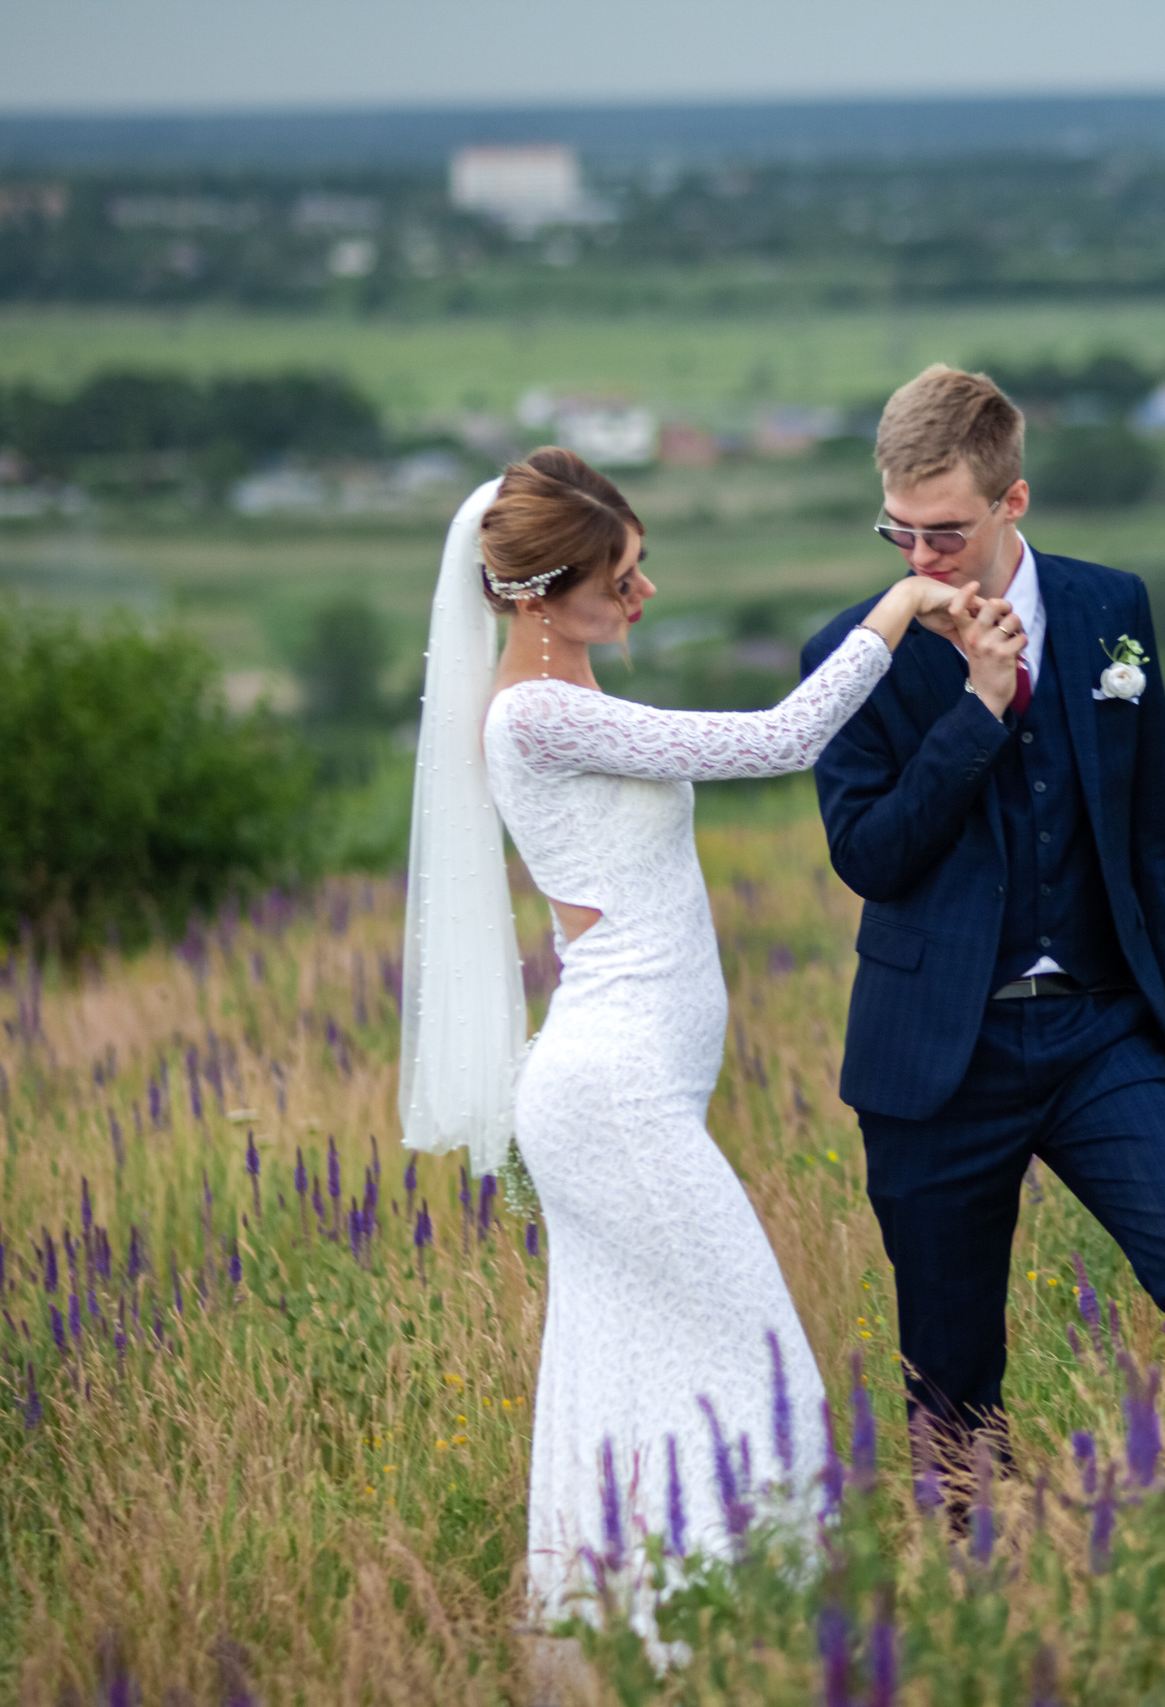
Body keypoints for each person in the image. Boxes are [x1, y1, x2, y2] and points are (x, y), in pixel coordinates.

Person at [396, 448, 985, 1647]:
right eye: (622, 576)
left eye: (641, 568)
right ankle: (779, 1625)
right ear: (535, 596)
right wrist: (901, 605)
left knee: (634, 1377)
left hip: (624, 1088)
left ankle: (655, 1636)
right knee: (761, 1357)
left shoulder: (569, 706)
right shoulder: (541, 713)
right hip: (613, 1096)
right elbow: (779, 739)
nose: (643, 594)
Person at [800, 365, 1165, 1458]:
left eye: (946, 532)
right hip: (936, 1059)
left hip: (1103, 1029)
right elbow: (869, 856)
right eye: (898, 533)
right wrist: (975, 706)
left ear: (1013, 502)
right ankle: (975, 1574)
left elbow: (1156, 832)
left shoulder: (1112, 609)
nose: (921, 561)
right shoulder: (846, 656)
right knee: (953, 1375)